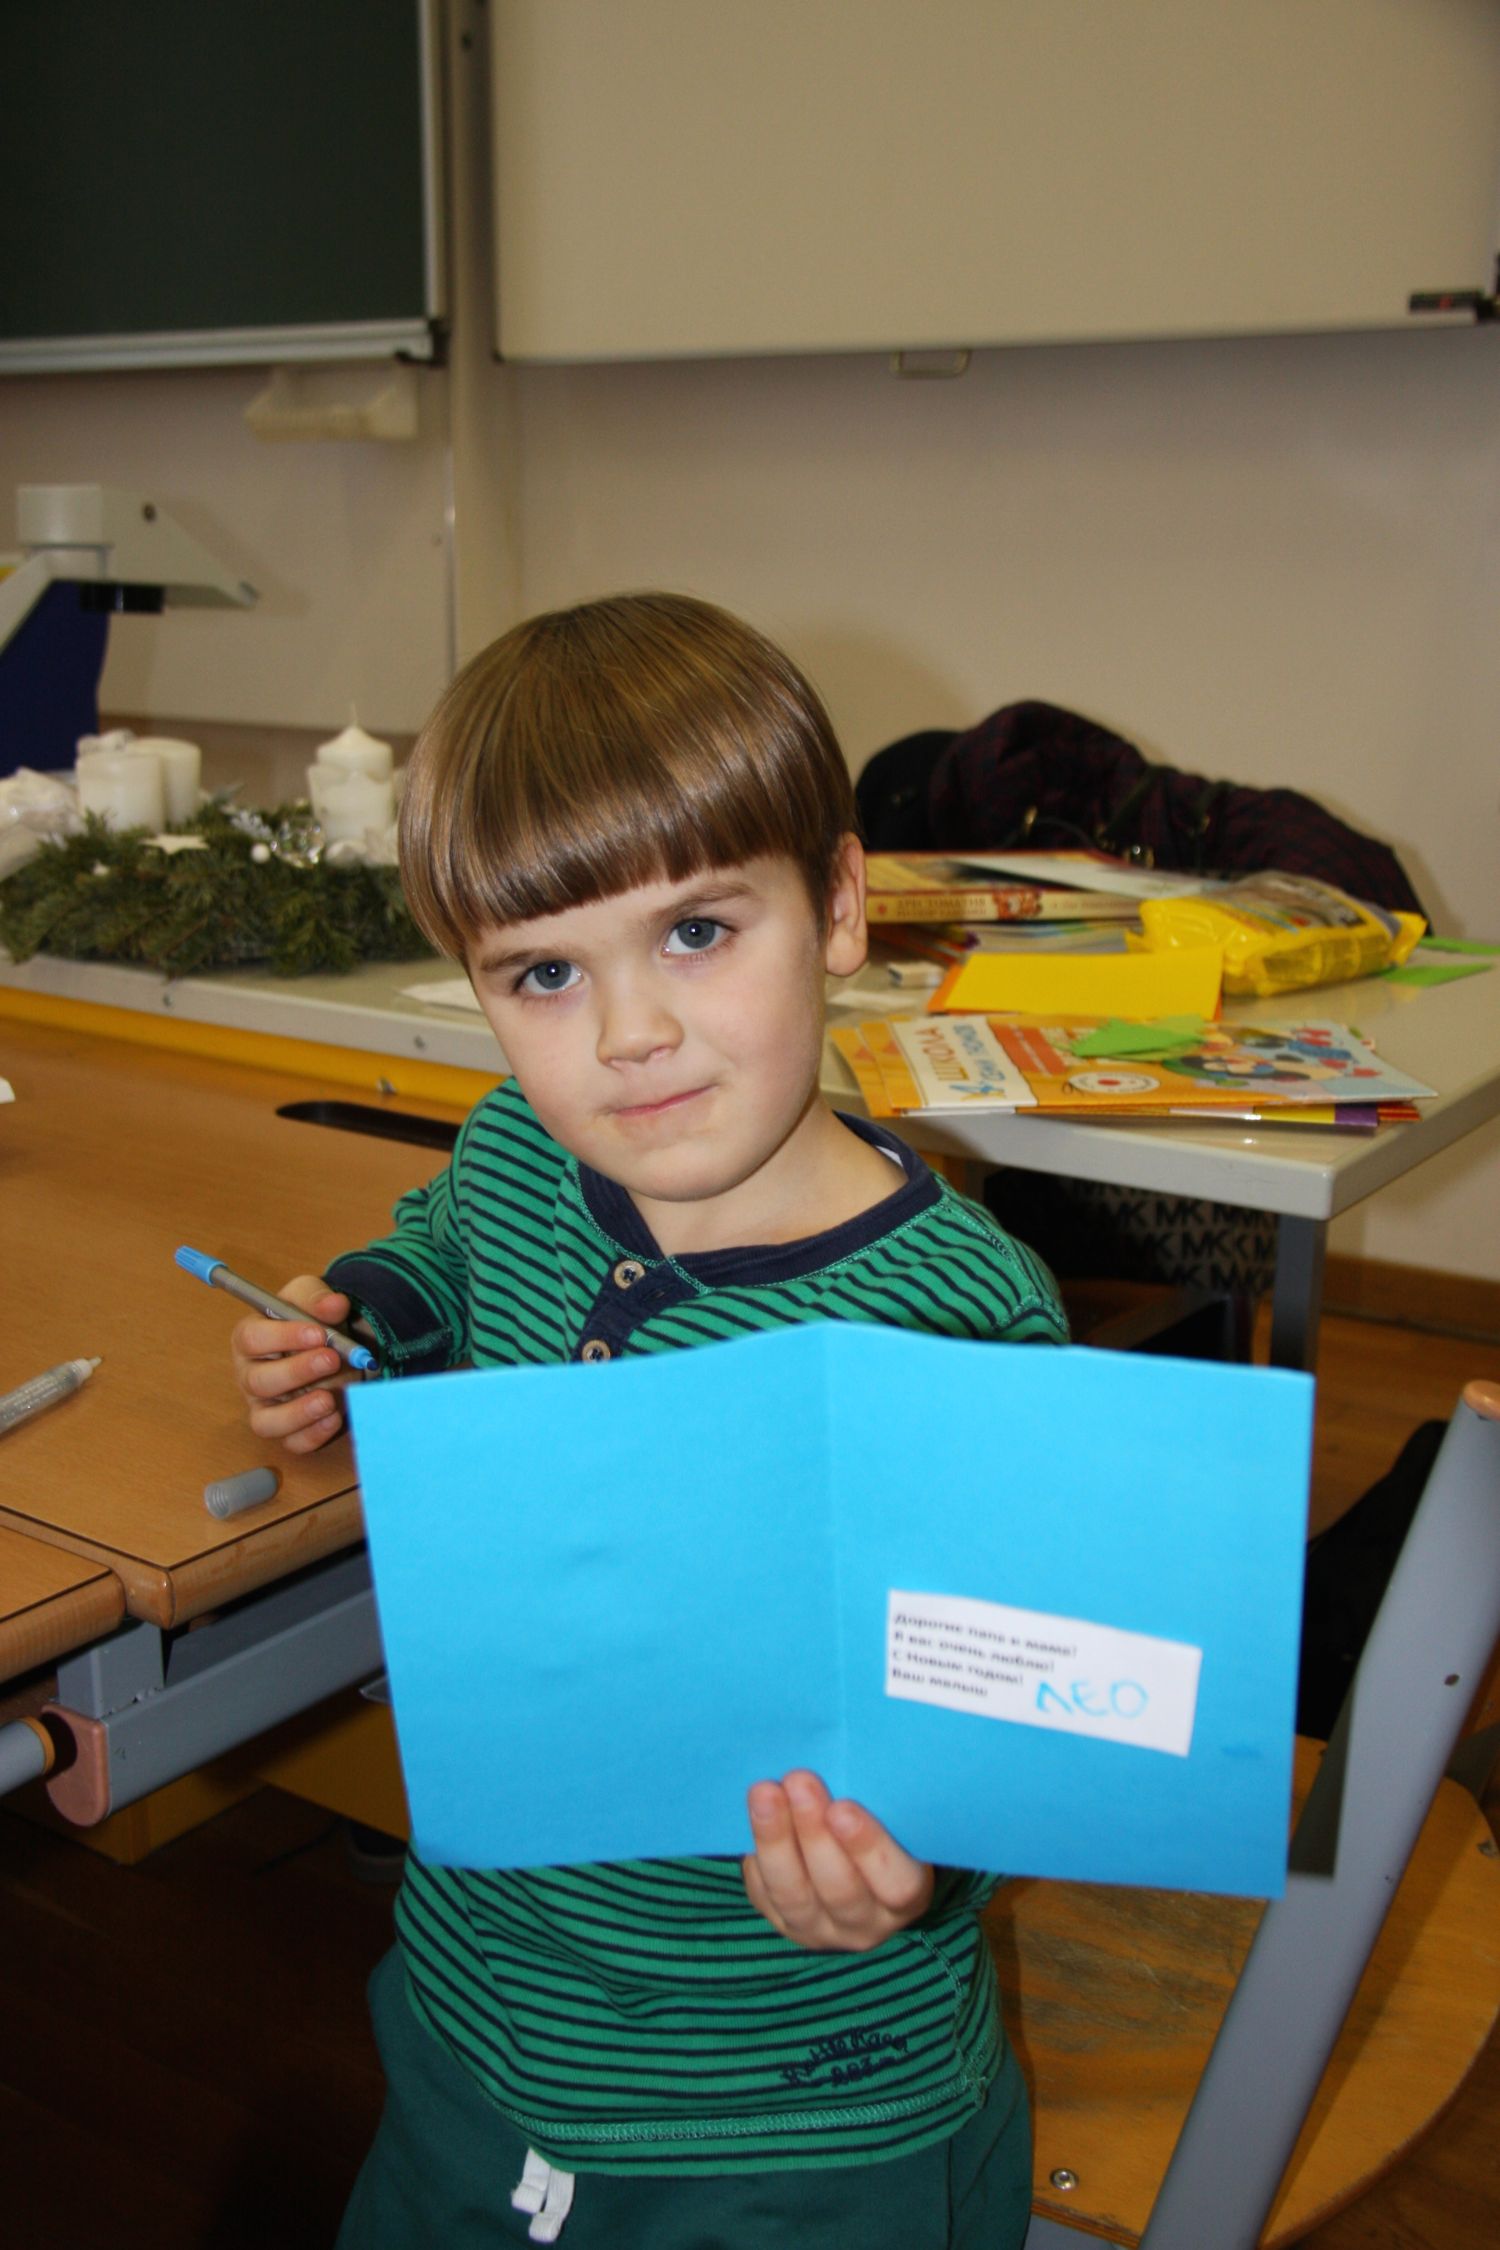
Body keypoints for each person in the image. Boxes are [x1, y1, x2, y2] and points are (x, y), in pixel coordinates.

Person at [230, 593, 1068, 2248]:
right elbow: (444, 1242)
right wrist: (363, 1319)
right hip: (476, 2024)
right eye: (546, 972)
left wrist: (915, 1873)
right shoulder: (523, 1152)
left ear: (838, 908)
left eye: (695, 931)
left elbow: (1009, 1706)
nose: (630, 1036)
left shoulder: (958, 1316)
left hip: (796, 2120)